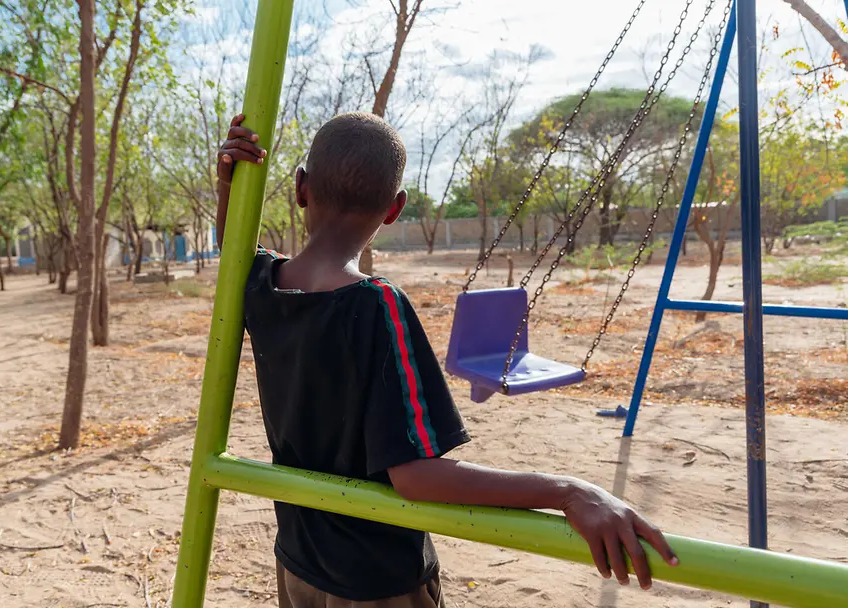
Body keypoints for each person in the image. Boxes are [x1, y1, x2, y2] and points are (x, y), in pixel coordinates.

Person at [215, 111, 678, 608]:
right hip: (377, 582)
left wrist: (229, 188)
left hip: (298, 564)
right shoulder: (377, 306)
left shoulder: (261, 286)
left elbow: (233, 248)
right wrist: (568, 491)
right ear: (394, 209)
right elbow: (414, 475)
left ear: (301, 188)